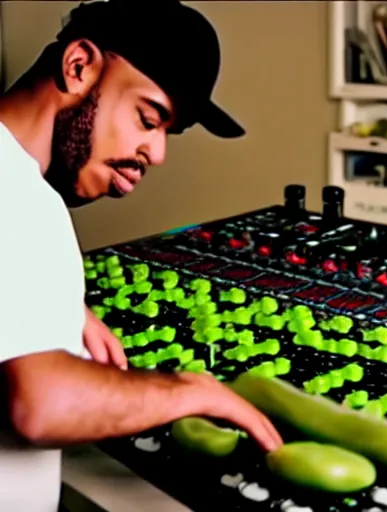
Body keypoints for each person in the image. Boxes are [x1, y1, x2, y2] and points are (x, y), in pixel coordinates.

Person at [0, 1, 282, 510]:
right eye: (147, 118)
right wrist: (187, 390)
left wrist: (49, 309)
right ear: (79, 66)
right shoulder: (24, 203)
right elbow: (40, 407)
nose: (157, 154)